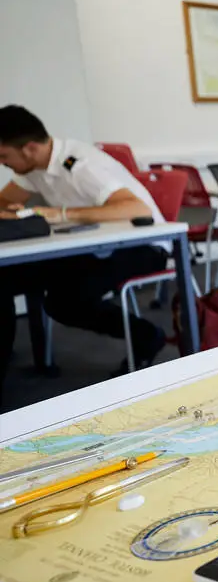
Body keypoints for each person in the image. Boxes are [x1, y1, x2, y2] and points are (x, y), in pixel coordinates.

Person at [0, 105, 168, 379]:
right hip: (89, 245)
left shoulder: (79, 165)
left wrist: (63, 214)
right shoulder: (32, 169)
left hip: (143, 244)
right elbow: (3, 201)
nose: (2, 163)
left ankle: (146, 335)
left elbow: (138, 210)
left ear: (29, 148)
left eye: (4, 156)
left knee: (65, 302)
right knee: (4, 276)